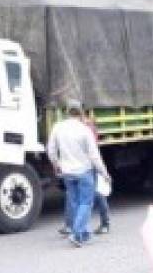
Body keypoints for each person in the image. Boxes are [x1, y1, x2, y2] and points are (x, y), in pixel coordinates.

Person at [47, 99, 107, 247]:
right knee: (86, 203)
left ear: (67, 111)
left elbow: (51, 150)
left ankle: (83, 233)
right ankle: (76, 233)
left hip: (67, 172)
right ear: (80, 112)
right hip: (84, 171)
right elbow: (94, 155)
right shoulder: (84, 130)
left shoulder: (58, 127)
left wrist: (56, 164)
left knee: (74, 202)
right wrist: (104, 172)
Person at [84, 111, 112, 234]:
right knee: (96, 194)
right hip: (89, 164)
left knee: (98, 194)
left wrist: (104, 172)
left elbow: (92, 151)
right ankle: (104, 223)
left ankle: (105, 223)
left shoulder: (87, 127)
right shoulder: (89, 126)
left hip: (89, 164)